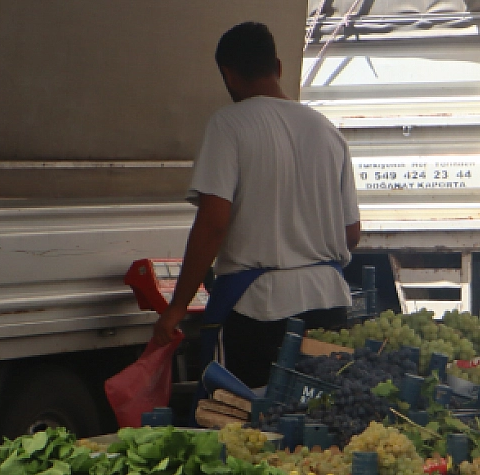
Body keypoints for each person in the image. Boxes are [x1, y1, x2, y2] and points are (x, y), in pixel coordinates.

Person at [152, 22, 361, 387]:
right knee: (317, 413)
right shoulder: (327, 131)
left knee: (244, 413)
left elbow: (213, 224)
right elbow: (351, 233)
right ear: (277, 67)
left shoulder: (228, 125)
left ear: (228, 75)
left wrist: (176, 308)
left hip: (259, 309)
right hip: (328, 304)